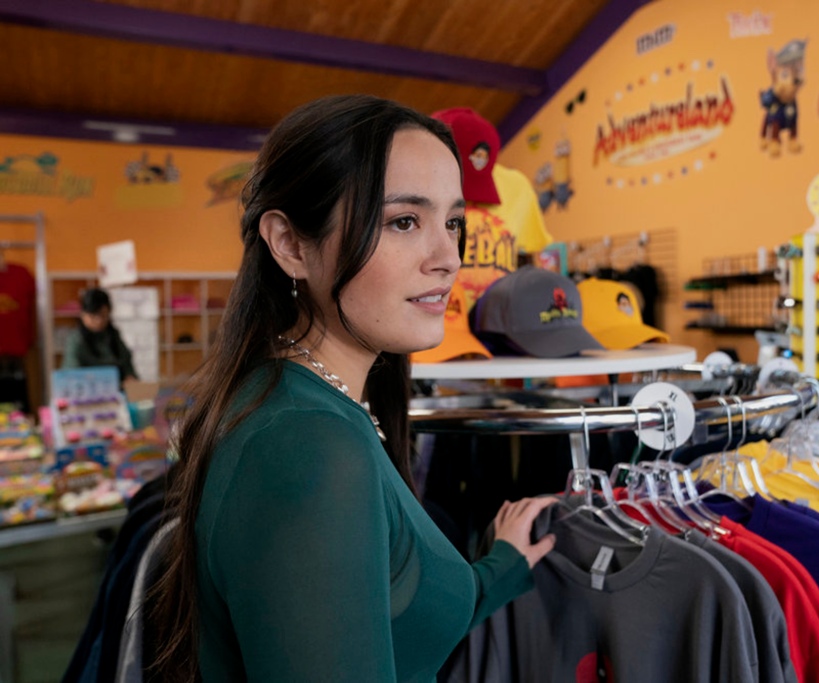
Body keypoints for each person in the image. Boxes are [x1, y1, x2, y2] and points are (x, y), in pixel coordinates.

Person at [151, 95, 557, 681]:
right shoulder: (307, 445)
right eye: (404, 221)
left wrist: (502, 565)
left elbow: (385, 608)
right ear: (290, 245)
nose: (449, 257)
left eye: (453, 223)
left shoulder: (309, 405)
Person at [62, 287, 138, 384]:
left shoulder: (113, 334)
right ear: (83, 315)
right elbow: (71, 372)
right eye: (93, 317)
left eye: (103, 315)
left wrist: (130, 377)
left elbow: (127, 364)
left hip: (117, 393)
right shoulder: (76, 340)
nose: (99, 321)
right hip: (87, 392)